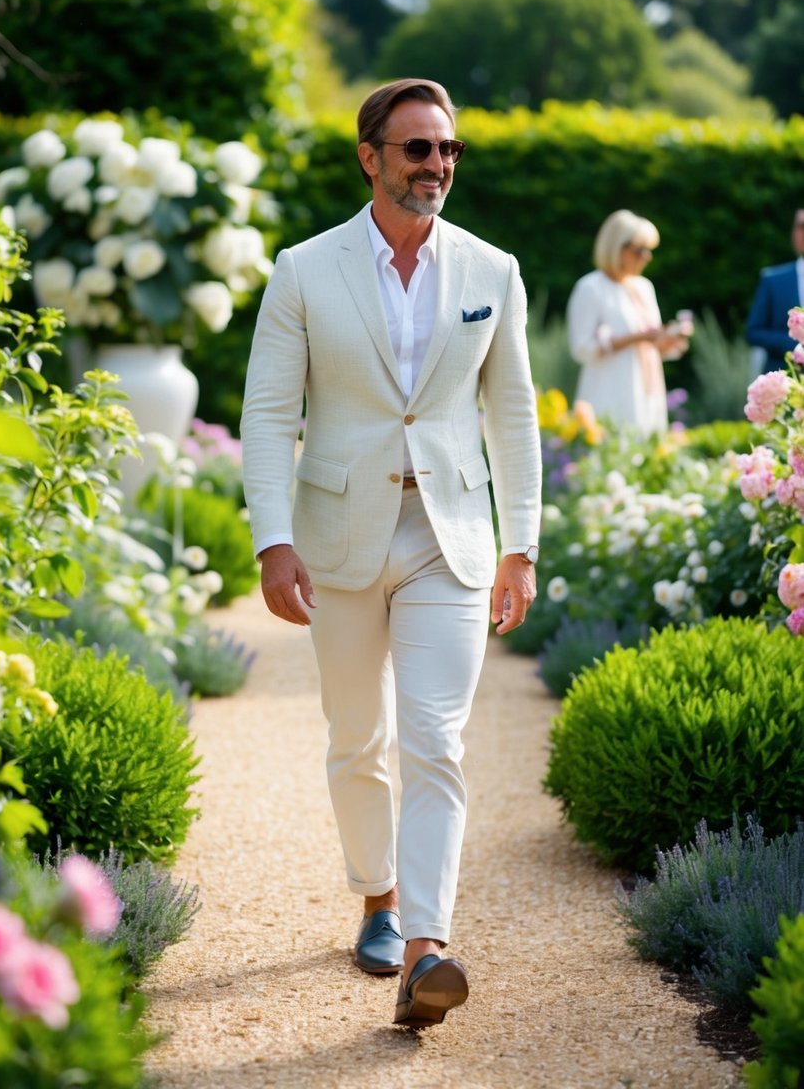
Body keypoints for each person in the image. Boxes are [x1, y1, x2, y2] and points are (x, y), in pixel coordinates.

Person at [240, 78, 542, 1029]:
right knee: (356, 738)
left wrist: (521, 546)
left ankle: (424, 950)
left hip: (447, 536)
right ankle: (376, 897)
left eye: (448, 149)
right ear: (370, 158)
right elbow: (267, 415)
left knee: (435, 740)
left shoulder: (492, 270)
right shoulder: (303, 270)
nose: (436, 165)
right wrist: (272, 540)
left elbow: (514, 415)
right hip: (337, 536)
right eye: (417, 148)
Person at [565, 209, 689, 436]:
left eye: (648, 250)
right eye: (639, 250)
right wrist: (637, 338)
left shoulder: (644, 287)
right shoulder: (591, 287)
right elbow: (581, 348)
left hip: (647, 391)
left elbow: (651, 345)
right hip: (610, 392)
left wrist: (670, 340)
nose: (646, 257)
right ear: (616, 247)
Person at [746, 208, 804, 372]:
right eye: (801, 227)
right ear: (794, 233)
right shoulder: (773, 280)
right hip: (783, 377)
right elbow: (753, 332)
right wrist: (795, 341)